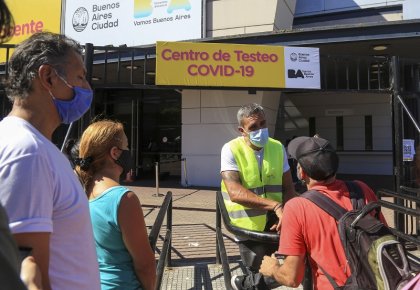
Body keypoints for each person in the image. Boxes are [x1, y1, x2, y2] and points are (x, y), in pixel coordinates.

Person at [0, 32, 100, 290]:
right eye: (80, 77)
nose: (87, 88)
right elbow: (29, 272)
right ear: (48, 77)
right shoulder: (28, 152)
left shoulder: (37, 147)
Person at [231, 135, 386, 290]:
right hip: (376, 283)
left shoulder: (297, 207)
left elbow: (292, 278)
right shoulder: (361, 189)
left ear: (301, 172)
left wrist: (272, 268)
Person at [74, 120, 157, 290]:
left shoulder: (80, 191)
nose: (129, 152)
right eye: (127, 147)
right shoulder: (124, 199)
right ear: (115, 153)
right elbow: (145, 266)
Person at [220, 103, 297, 278]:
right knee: (256, 275)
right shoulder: (230, 149)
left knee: (280, 273)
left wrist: (288, 215)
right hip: (248, 228)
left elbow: (289, 188)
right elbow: (235, 192)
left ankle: (241, 284)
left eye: (263, 124)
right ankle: (241, 283)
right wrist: (276, 206)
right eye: (253, 127)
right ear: (242, 130)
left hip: (276, 224)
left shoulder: (277, 147)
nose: (260, 129)